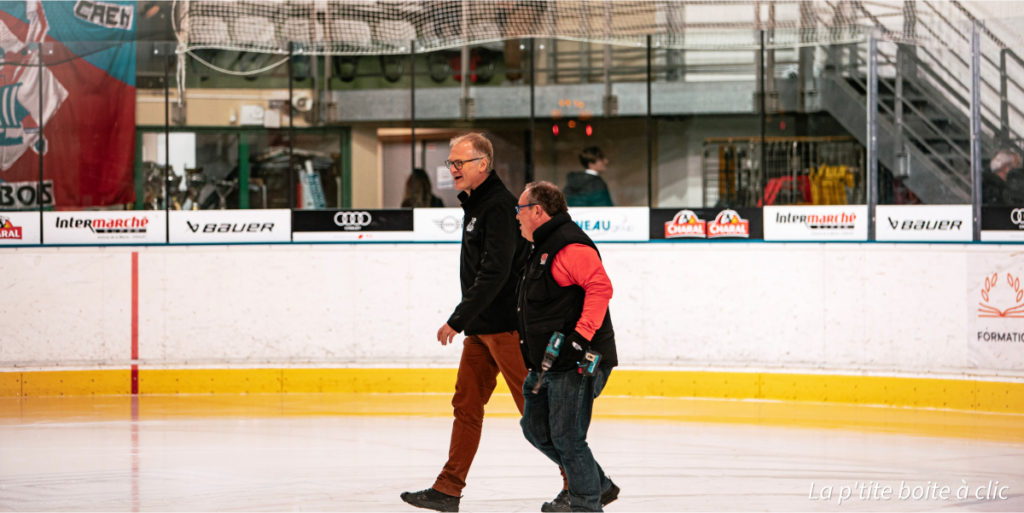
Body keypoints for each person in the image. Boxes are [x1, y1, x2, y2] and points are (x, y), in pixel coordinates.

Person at [401, 133, 534, 512]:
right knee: (466, 405)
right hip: (482, 331)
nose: (453, 169)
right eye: (450, 163)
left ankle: (583, 482)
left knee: (535, 411)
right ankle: (448, 489)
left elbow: (494, 273)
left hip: (506, 328)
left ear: (483, 165)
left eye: (460, 163)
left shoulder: (497, 207)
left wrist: (456, 320)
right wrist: (469, 323)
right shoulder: (476, 205)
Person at [514, 181, 620, 512]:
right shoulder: (541, 247)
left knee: (568, 438)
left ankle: (587, 505)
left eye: (519, 210)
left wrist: (580, 339)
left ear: (537, 211)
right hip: (549, 363)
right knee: (535, 429)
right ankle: (596, 483)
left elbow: (600, 288)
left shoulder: (569, 246)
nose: (516, 217)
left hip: (579, 361)